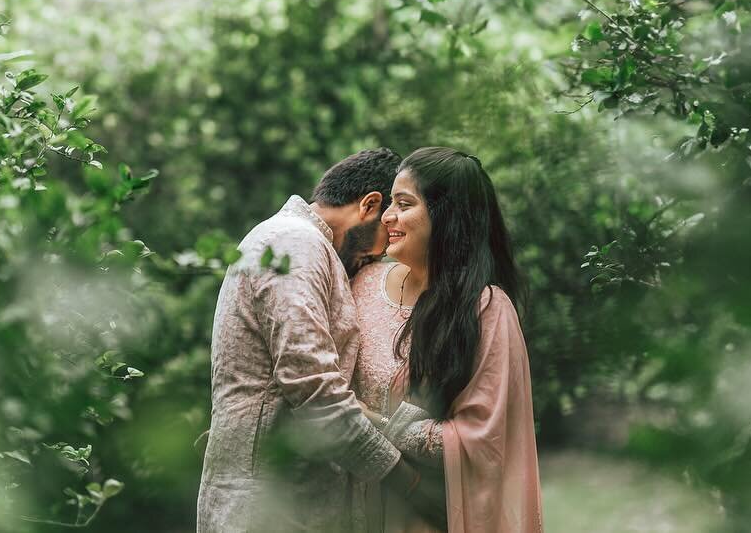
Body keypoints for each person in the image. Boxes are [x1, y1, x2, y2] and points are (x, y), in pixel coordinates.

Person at [197, 148, 439, 533]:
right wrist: (409, 484)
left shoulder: (289, 241)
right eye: (367, 256)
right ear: (369, 205)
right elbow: (316, 392)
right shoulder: (296, 244)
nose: (365, 266)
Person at [350, 147, 543, 533]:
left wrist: (373, 422)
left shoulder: (484, 309)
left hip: (425, 514)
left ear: (446, 216)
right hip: (349, 507)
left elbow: (481, 442)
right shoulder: (363, 283)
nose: (388, 216)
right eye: (391, 202)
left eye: (404, 204)